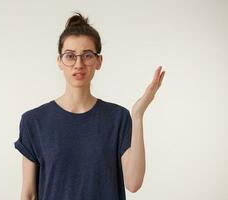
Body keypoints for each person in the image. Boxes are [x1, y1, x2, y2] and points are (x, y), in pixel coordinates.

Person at [14, 11, 165, 200]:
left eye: (87, 55)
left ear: (98, 61)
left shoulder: (118, 118)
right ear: (59, 61)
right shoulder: (34, 121)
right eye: (70, 56)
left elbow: (133, 183)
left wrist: (138, 115)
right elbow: (28, 194)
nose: (78, 64)